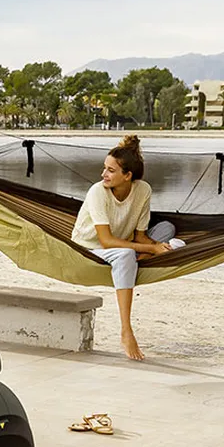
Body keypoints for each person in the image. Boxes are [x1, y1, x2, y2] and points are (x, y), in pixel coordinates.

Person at [71, 135, 182, 361]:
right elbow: (105, 241)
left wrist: (153, 245)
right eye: (104, 168)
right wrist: (151, 250)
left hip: (124, 241)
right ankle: (126, 330)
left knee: (168, 229)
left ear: (127, 176)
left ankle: (139, 255)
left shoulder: (143, 191)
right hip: (90, 248)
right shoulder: (97, 192)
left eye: (110, 170)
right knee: (125, 254)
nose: (103, 174)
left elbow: (140, 234)